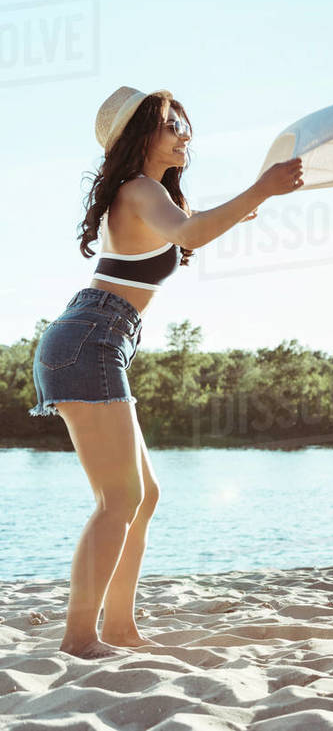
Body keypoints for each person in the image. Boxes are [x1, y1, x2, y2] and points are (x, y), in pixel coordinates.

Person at [29, 86, 303, 658]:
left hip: (100, 337)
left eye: (185, 124)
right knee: (118, 498)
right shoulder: (138, 188)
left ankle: (120, 629)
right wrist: (263, 187)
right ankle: (80, 639)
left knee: (142, 495)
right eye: (171, 125)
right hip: (92, 338)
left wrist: (254, 199)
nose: (184, 134)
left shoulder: (150, 195)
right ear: (142, 136)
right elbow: (192, 234)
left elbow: (194, 224)